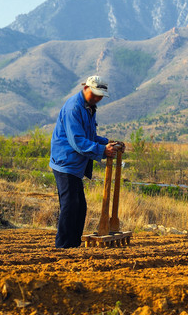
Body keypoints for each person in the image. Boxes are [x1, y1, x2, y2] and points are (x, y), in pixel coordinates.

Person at [49, 75, 124, 248]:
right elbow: (78, 141)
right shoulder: (74, 108)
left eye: (100, 96)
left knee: (80, 207)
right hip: (65, 163)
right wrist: (102, 150)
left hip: (75, 165)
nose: (98, 98)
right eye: (95, 94)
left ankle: (73, 245)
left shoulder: (89, 107)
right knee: (69, 206)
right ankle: (63, 247)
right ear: (86, 88)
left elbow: (89, 136)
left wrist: (107, 142)